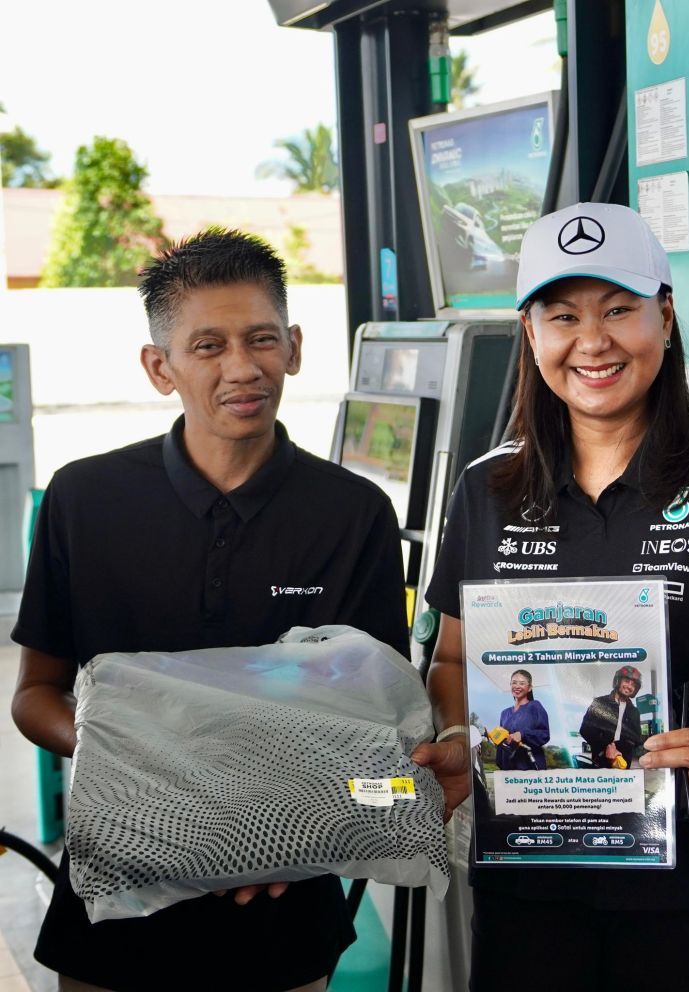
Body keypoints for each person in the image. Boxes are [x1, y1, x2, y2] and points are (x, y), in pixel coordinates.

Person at [412, 201, 689, 991]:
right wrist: (463, 734)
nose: (592, 340)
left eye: (618, 310)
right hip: (527, 881)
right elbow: (455, 657)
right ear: (530, 333)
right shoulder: (484, 489)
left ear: (664, 319)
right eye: (562, 315)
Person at [9, 229, 410, 992]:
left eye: (262, 339)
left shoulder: (352, 513)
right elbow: (35, 697)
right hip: (117, 890)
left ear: (293, 346)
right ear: (160, 367)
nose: (242, 367)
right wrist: (143, 765)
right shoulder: (84, 500)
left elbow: (376, 721)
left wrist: (275, 826)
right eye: (208, 346)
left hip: (285, 889)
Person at [578, 665, 645, 768]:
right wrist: (606, 746)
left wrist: (620, 749)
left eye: (633, 684)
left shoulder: (634, 712)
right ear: (618, 681)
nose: (629, 686)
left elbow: (636, 738)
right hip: (600, 760)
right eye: (626, 681)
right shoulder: (599, 703)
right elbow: (585, 730)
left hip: (623, 763)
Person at [495, 668, 550, 770]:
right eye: (514, 683)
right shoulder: (504, 713)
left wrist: (522, 734)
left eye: (522, 683)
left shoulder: (535, 706)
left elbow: (544, 735)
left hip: (530, 769)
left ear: (529, 688)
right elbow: (502, 745)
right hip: (508, 770)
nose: (517, 686)